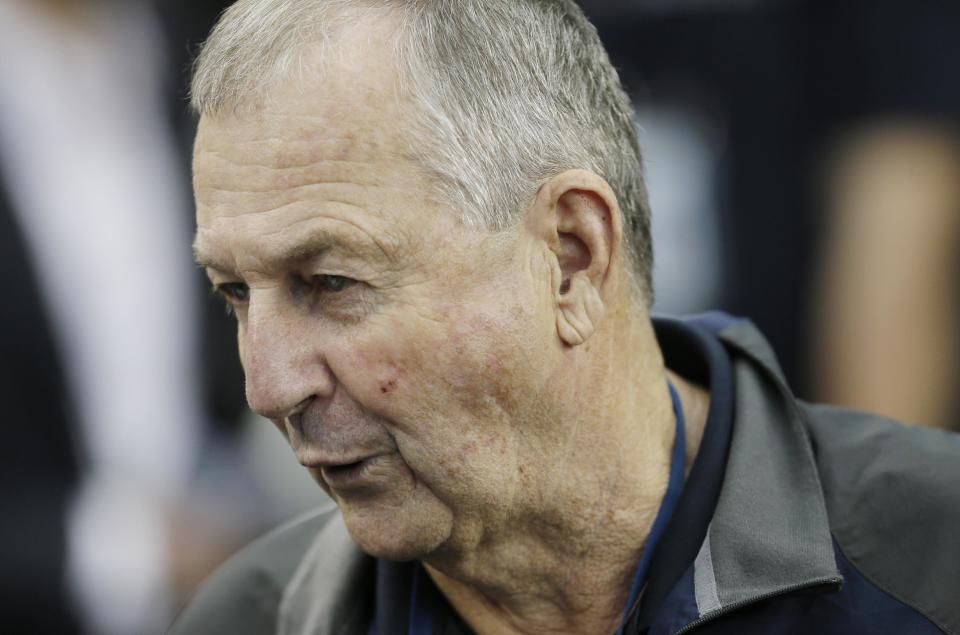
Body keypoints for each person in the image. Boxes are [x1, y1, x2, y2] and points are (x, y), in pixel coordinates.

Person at [172, 1, 960, 633]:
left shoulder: (932, 563)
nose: (268, 384)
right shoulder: (248, 616)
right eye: (235, 292)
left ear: (573, 255)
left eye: (331, 282)